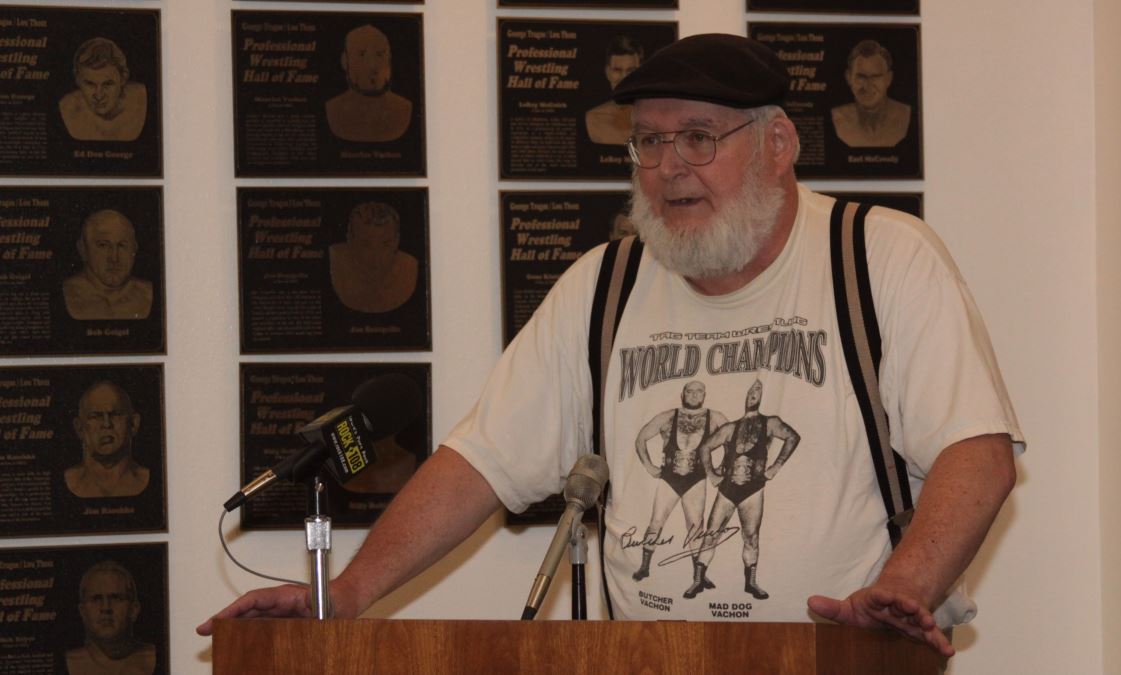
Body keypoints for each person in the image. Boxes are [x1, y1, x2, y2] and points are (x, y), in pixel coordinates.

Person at [199, 34, 1022, 659]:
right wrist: (345, 595)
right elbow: (480, 463)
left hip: (838, 660)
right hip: (647, 659)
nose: (668, 167)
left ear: (777, 144)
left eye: (698, 137)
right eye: (649, 142)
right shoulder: (607, 282)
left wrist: (899, 591)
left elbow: (976, 453)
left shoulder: (877, 257)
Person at [687, 380, 799, 600]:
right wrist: (712, 475)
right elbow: (705, 447)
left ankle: (751, 583)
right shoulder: (730, 428)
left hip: (753, 490)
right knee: (711, 535)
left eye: (759, 390)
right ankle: (698, 581)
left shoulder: (770, 422)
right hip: (727, 490)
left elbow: (792, 437)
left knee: (751, 537)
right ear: (745, 396)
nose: (754, 393)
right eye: (751, 390)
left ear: (763, 396)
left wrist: (775, 467)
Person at [629, 380, 727, 585]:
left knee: (695, 527)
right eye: (689, 391)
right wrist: (649, 466)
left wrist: (721, 468)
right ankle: (644, 567)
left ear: (704, 395)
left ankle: (698, 576)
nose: (694, 395)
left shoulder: (716, 417)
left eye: (699, 391)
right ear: (682, 394)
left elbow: (732, 441)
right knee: (656, 521)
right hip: (669, 478)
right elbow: (640, 438)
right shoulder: (667, 417)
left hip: (696, 479)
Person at [325, 25, 413, 143]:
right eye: (361, 55)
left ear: (389, 59)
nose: (372, 66)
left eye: (379, 55)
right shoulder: (334, 110)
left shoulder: (403, 109)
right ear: (345, 61)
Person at [66, 560, 156, 675]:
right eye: (96, 599)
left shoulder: (160, 656)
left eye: (116, 598)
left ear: (134, 610)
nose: (106, 608)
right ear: (83, 612)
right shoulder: (64, 663)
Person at [62, 209, 153, 321]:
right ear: (83, 249)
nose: (114, 258)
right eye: (103, 245)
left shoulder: (148, 294)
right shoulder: (65, 294)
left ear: (134, 249)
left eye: (122, 245)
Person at [328, 202, 419, 313]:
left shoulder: (408, 269)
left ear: (396, 241)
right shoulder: (336, 261)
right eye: (365, 244)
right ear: (350, 240)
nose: (375, 256)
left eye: (385, 244)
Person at [64, 381, 149, 498]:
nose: (106, 424)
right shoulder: (67, 481)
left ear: (134, 424)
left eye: (116, 414)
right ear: (79, 428)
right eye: (95, 416)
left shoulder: (151, 480)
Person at [58, 38, 147, 142]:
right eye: (90, 84)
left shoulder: (142, 100)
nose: (99, 96)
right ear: (77, 79)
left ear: (123, 78)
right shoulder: (67, 108)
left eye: (107, 84)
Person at [830, 39, 912, 148]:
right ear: (848, 77)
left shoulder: (905, 115)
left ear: (888, 79)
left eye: (876, 77)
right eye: (861, 77)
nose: (868, 86)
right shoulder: (837, 118)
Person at [585, 36, 643, 145]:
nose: (624, 78)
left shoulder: (655, 116)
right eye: (617, 70)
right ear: (608, 72)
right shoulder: (595, 118)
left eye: (631, 70)